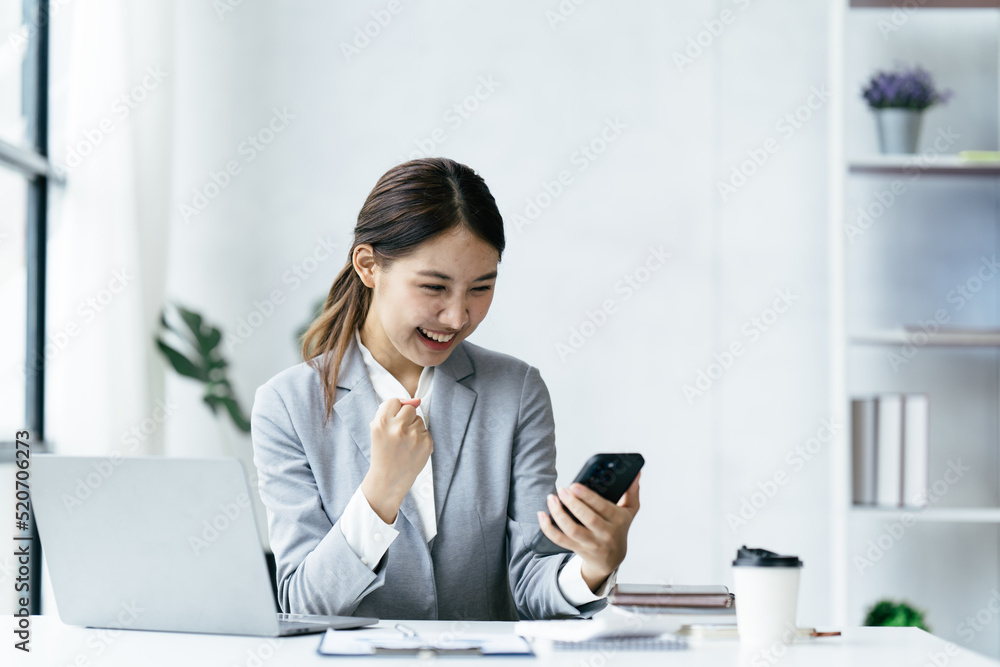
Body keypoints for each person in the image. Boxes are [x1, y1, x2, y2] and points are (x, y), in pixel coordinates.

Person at [250, 157, 640, 621]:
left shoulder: (515, 393)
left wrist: (594, 565)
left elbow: (531, 583)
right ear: (369, 265)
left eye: (481, 288)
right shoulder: (288, 406)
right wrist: (381, 492)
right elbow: (302, 605)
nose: (458, 318)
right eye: (434, 287)